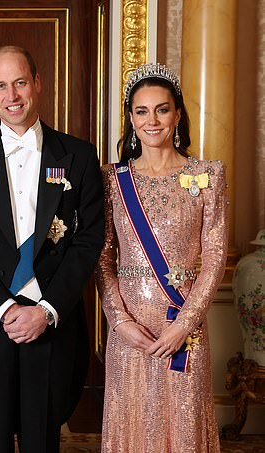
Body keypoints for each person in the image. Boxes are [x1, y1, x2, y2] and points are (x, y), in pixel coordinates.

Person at [0, 45, 105, 453]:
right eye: (1, 86)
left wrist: (47, 310)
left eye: (19, 83)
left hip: (50, 320)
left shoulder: (79, 156)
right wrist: (5, 309)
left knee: (42, 441)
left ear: (37, 84)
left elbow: (88, 240)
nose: (11, 95)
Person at [97, 63, 228, 452]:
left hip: (184, 331)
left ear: (177, 114)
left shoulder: (208, 174)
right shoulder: (112, 179)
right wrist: (119, 322)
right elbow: (103, 259)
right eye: (141, 111)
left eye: (162, 109)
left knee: (183, 425)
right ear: (130, 119)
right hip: (130, 332)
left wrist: (182, 326)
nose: (151, 121)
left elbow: (216, 255)